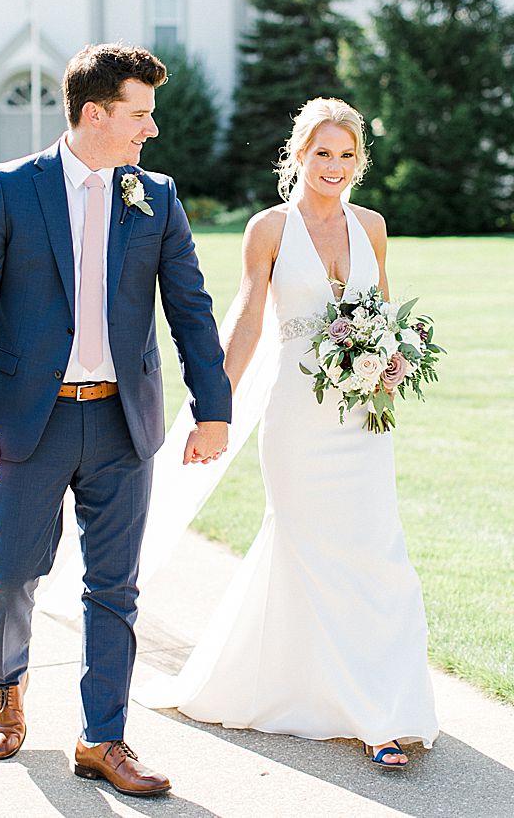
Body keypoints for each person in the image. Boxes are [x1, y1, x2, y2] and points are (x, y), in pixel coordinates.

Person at [0, 42, 232, 797]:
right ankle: (6, 685)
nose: (152, 129)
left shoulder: (155, 196)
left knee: (115, 588)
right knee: (11, 572)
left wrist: (214, 410)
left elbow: (191, 308)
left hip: (120, 423)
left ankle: (102, 737)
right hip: (25, 424)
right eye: (141, 114)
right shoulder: (9, 188)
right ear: (94, 114)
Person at [134, 97, 439, 767]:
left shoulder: (372, 226)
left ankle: (377, 700)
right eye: (322, 152)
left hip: (363, 419)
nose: (334, 165)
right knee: (309, 548)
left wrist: (392, 362)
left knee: (376, 554)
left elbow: (384, 311)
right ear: (298, 155)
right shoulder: (269, 229)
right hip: (297, 421)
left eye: (346, 155)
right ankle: (368, 718)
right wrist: (214, 410)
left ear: (360, 161)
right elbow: (248, 320)